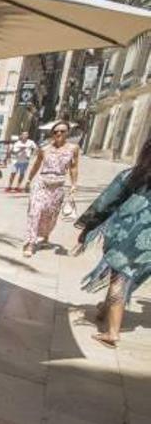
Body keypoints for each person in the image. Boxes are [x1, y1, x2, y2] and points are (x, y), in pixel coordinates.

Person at [74, 138, 151, 348]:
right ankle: (104, 309)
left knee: (120, 277)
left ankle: (112, 332)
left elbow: (106, 202)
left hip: (128, 235)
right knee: (129, 276)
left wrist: (88, 227)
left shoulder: (134, 176)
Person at [22, 121, 79, 257]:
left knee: (50, 216)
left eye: (62, 131)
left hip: (58, 186)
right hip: (41, 184)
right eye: (56, 131)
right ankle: (31, 242)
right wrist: (29, 180)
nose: (58, 133)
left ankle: (45, 235)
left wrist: (73, 184)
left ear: (68, 133)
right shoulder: (45, 149)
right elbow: (36, 165)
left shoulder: (73, 148)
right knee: (34, 212)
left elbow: (74, 167)